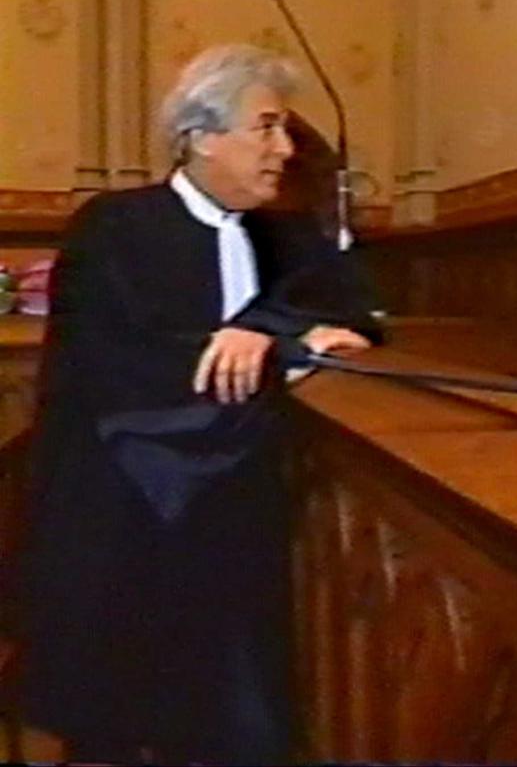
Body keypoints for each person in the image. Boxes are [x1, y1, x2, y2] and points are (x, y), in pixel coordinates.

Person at [17, 44, 383, 764]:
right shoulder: (116, 225)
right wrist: (272, 348)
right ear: (202, 136)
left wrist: (263, 330)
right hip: (129, 513)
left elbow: (356, 311)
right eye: (267, 128)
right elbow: (113, 362)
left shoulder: (285, 233)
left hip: (241, 517)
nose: (282, 150)